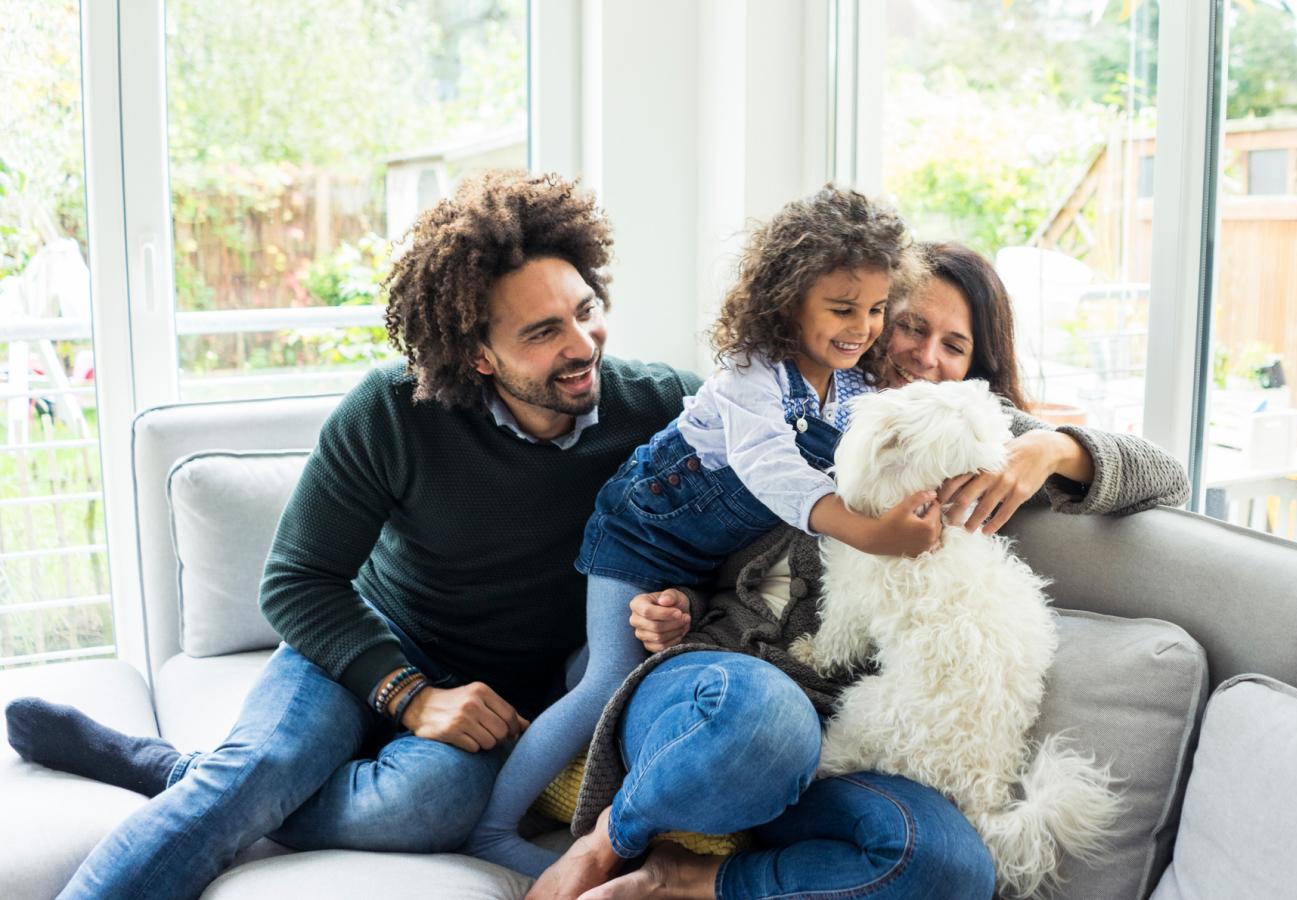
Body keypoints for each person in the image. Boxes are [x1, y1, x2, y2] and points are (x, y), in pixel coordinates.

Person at [2, 170, 704, 900]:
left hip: (500, 695)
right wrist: (409, 695)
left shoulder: (660, 408)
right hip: (366, 649)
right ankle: (228, 779)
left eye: (585, 310)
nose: (582, 343)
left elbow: (726, 540)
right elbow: (295, 582)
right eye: (542, 332)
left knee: (437, 804)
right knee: (266, 766)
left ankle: (191, 773)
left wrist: (678, 596)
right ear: (478, 355)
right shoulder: (393, 411)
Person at [527, 240, 1191, 900]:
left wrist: (1052, 447)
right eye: (910, 326)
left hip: (835, 751)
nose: (927, 357)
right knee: (761, 720)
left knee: (953, 867)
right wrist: (679, 608)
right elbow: (692, 541)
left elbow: (1169, 478)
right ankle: (609, 839)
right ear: (870, 323)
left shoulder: (962, 439)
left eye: (954, 345)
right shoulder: (791, 403)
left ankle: (692, 879)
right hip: (720, 692)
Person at [464, 185, 940, 876]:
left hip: (700, 563)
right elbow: (772, 470)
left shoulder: (855, 390)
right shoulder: (752, 373)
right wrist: (871, 533)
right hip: (642, 533)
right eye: (842, 309)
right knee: (605, 681)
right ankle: (491, 826)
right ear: (787, 302)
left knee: (614, 658)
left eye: (874, 309)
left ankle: (583, 674)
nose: (862, 326)